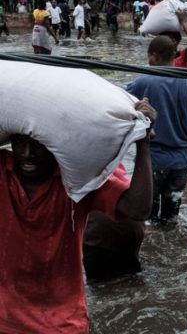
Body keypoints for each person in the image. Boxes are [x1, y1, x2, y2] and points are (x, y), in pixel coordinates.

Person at [0, 101, 155, 333]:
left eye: (38, 145)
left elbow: (138, 210)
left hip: (61, 321)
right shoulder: (3, 168)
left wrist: (143, 145)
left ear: (55, 144)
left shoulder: (78, 179)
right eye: (20, 143)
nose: (27, 154)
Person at [127, 36, 187, 226]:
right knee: (170, 217)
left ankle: (150, 253)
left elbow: (121, 109)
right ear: (173, 56)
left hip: (151, 160)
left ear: (154, 57)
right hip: (181, 162)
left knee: (146, 217)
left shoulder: (141, 83)